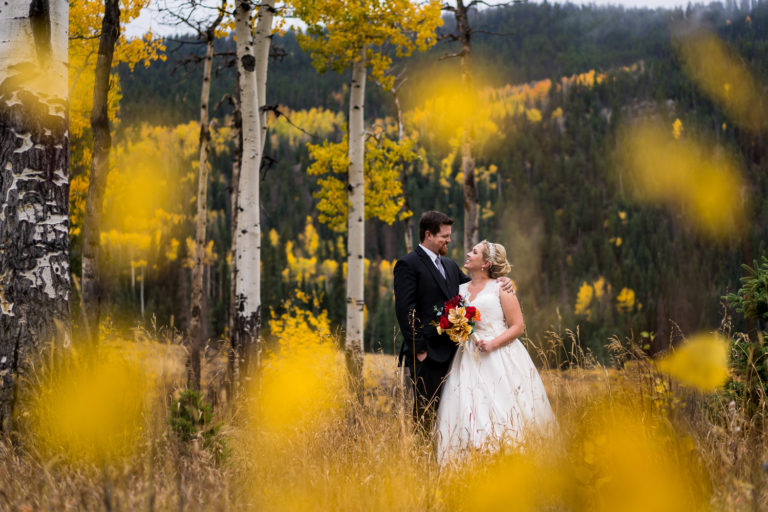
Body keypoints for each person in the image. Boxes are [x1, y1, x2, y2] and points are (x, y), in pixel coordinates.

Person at [435, 240, 556, 463]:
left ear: (486, 263)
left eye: (474, 252)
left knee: (504, 407)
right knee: (469, 407)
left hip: (500, 355)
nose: (468, 254)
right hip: (468, 358)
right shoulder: (460, 290)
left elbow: (518, 326)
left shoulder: (501, 288)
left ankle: (510, 461)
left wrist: (493, 344)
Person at [393, 211, 513, 433]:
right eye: (444, 236)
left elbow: (478, 287)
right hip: (427, 354)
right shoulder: (408, 264)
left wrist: (502, 281)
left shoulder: (449, 265)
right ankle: (422, 455)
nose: (449, 240)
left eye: (449, 235)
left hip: (453, 354)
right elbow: (405, 310)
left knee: (448, 414)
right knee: (425, 413)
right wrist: (420, 350)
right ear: (428, 235)